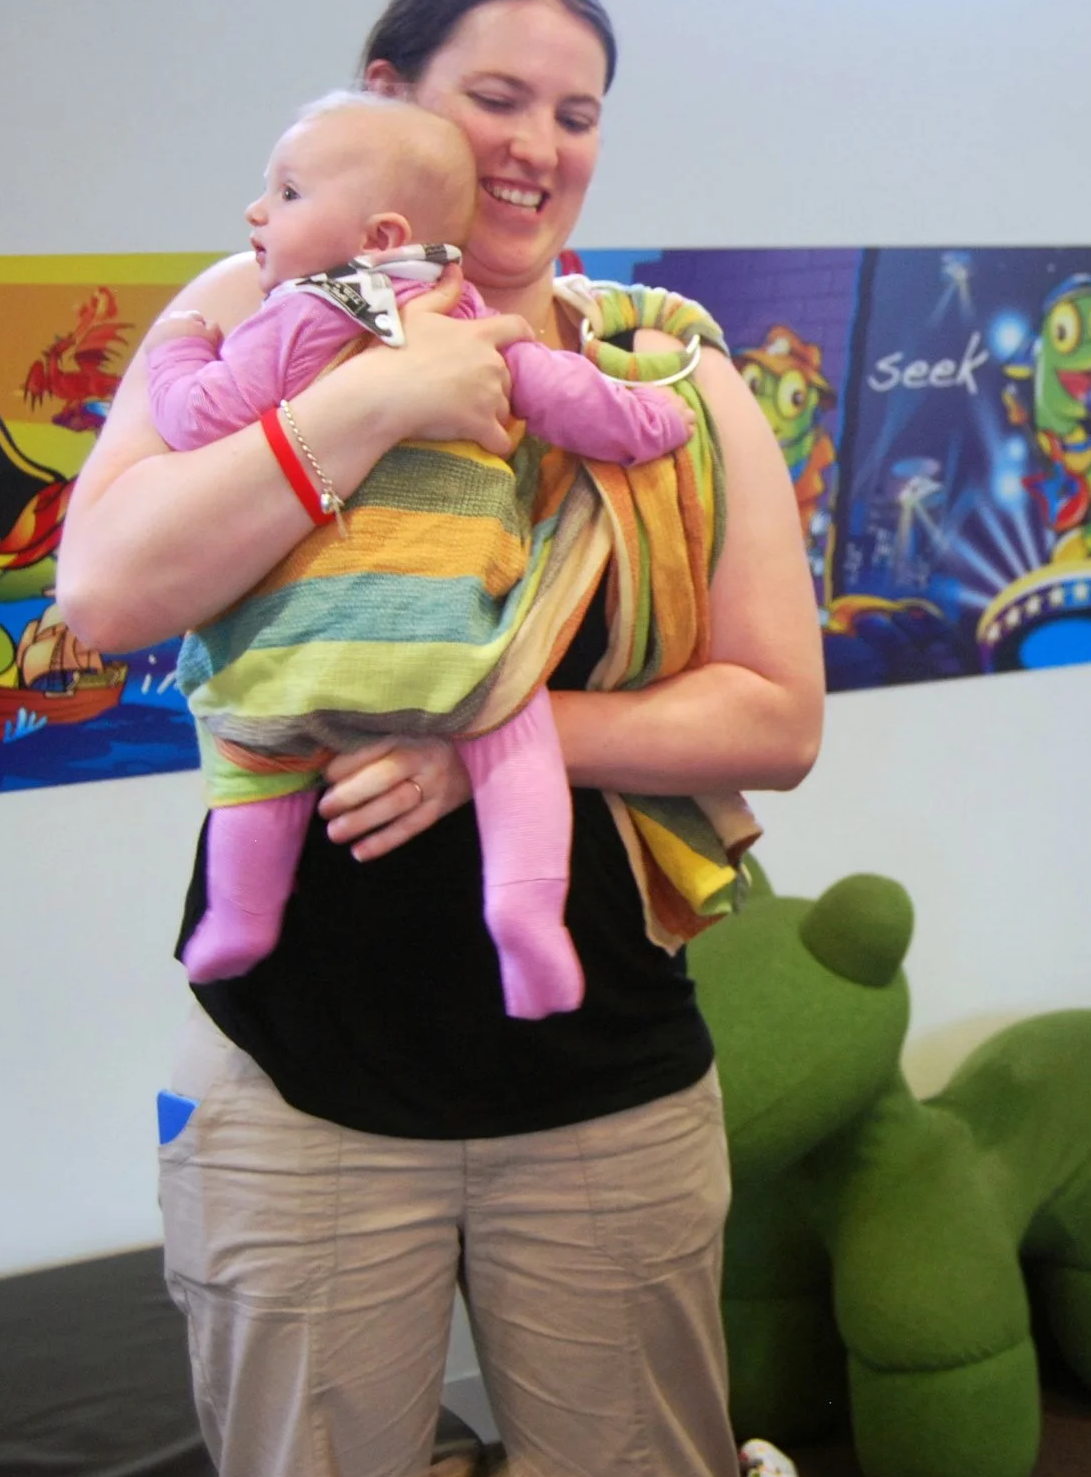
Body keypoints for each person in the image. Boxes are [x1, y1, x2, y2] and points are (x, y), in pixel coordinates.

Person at [57, 0, 823, 1477]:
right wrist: (375, 398)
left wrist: (492, 733)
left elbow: (776, 712)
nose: (540, 146)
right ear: (384, 98)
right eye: (497, 97)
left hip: (604, 1068)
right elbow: (108, 592)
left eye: (579, 110)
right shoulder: (248, 312)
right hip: (304, 1080)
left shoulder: (660, 365)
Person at [146, 91, 692, 1017]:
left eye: (284, 192)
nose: (256, 212)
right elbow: (575, 402)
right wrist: (660, 416)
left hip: (294, 653)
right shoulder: (475, 324)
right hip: (447, 642)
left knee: (250, 762)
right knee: (511, 733)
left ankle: (240, 920)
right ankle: (527, 918)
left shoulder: (291, 321)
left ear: (378, 233)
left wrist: (177, 347)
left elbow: (199, 417)